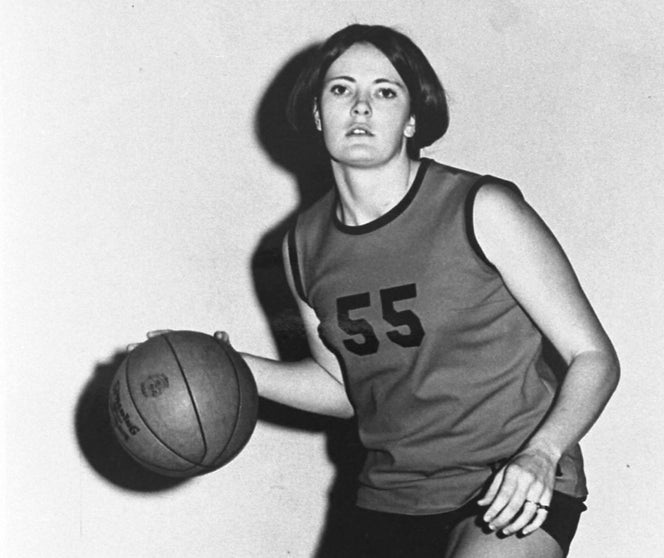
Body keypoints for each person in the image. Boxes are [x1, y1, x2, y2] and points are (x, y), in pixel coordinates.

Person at [172, 24, 619, 557]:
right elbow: (342, 389)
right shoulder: (301, 246)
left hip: (509, 479)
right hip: (392, 494)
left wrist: (542, 454)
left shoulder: (481, 209)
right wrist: (217, 365)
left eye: (384, 91)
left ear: (411, 120)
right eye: (341, 89)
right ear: (318, 114)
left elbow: (593, 356)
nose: (361, 106)